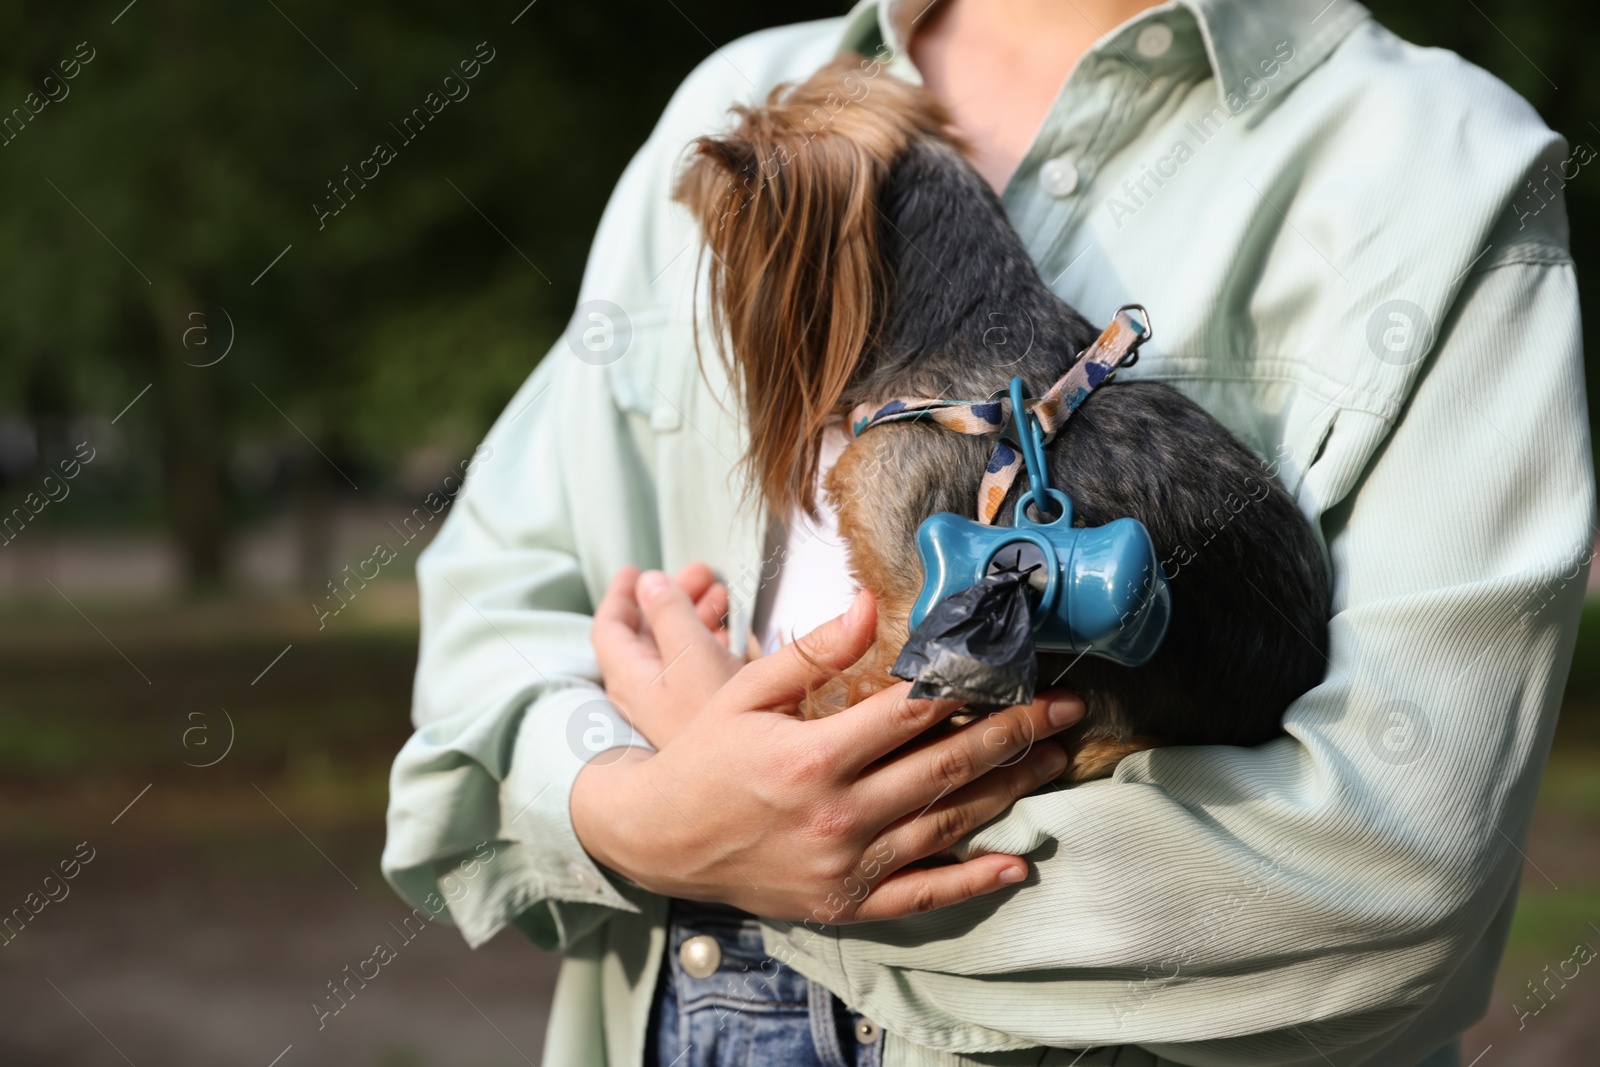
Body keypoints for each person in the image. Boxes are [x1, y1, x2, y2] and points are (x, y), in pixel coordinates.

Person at [381, 1, 1594, 1064]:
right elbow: (494, 609)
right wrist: (631, 812)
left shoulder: (1440, 172)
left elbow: (1393, 878)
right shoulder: (726, 108)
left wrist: (792, 871)